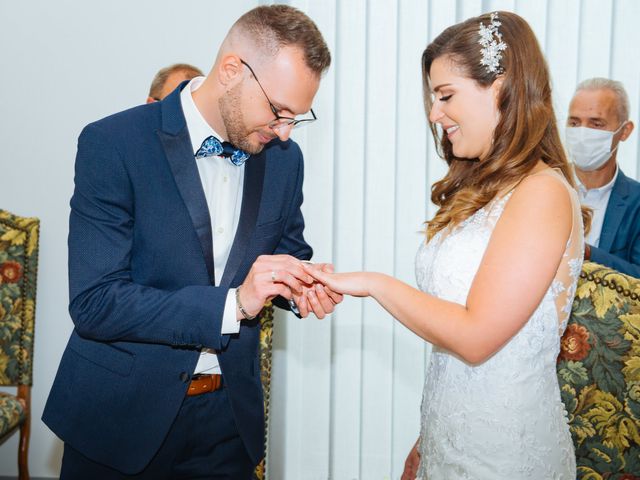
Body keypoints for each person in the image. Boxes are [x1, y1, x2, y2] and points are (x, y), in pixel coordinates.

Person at [43, 5, 339, 479]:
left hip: (227, 425)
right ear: (231, 71)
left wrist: (301, 284)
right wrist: (234, 304)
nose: (285, 131)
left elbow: (286, 250)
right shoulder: (113, 143)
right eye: (280, 112)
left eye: (297, 119)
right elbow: (96, 302)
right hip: (119, 419)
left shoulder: (284, 160)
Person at [306, 11, 589, 479]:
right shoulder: (484, 190)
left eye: (446, 95)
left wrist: (374, 283)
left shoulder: (542, 193)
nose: (435, 113)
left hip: (506, 454)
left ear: (499, 86)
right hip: (451, 438)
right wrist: (430, 434)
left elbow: (477, 337)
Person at [565, 78, 640, 277]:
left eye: (596, 124)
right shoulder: (543, 186)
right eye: (574, 122)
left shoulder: (636, 201)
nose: (582, 133)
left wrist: (587, 253)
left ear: (624, 131)